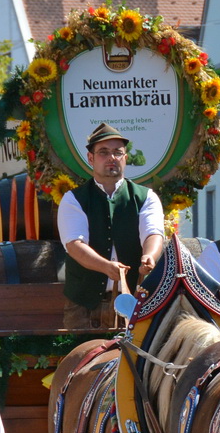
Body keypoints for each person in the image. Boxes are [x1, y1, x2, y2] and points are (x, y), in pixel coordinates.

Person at [57, 123, 166, 331]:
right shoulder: (73, 200)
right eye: (103, 152)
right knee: (82, 362)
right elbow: (74, 245)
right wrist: (106, 267)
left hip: (136, 304)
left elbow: (153, 233)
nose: (112, 158)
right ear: (91, 158)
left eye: (118, 152)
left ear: (125, 158)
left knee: (138, 364)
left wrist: (149, 257)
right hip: (84, 306)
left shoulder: (146, 197)